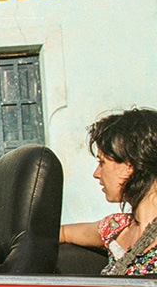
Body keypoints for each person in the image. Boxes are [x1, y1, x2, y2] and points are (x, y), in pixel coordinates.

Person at [60, 108, 157, 275]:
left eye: (102, 162)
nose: (96, 173)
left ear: (129, 165)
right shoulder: (115, 228)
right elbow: (61, 233)